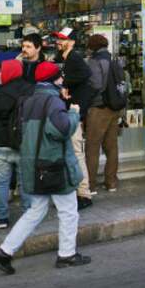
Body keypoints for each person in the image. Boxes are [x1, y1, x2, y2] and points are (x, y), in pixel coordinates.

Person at [0, 62, 90, 275]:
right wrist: (73, 113)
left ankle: (5, 250)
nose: (63, 80)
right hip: (53, 164)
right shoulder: (53, 101)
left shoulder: (27, 100)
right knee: (68, 211)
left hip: (32, 163)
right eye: (60, 77)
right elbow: (61, 129)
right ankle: (67, 254)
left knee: (35, 211)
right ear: (55, 79)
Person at [0, 60, 34, 229]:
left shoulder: (0, 94)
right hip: (23, 143)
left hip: (1, 143)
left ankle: (2, 218)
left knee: (2, 182)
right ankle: (28, 217)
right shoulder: (31, 90)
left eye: (1, 71)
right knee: (25, 182)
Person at [52, 28, 93, 208]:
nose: (59, 42)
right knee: (71, 153)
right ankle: (75, 192)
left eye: (63, 39)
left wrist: (66, 83)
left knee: (76, 152)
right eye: (58, 39)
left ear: (73, 42)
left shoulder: (74, 57)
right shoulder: (63, 58)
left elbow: (86, 74)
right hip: (68, 111)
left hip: (74, 112)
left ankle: (84, 194)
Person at [84, 33, 125, 195]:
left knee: (92, 147)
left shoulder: (95, 61)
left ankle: (91, 185)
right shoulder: (114, 60)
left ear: (92, 46)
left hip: (99, 108)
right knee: (111, 147)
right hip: (114, 108)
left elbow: (96, 85)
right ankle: (111, 182)